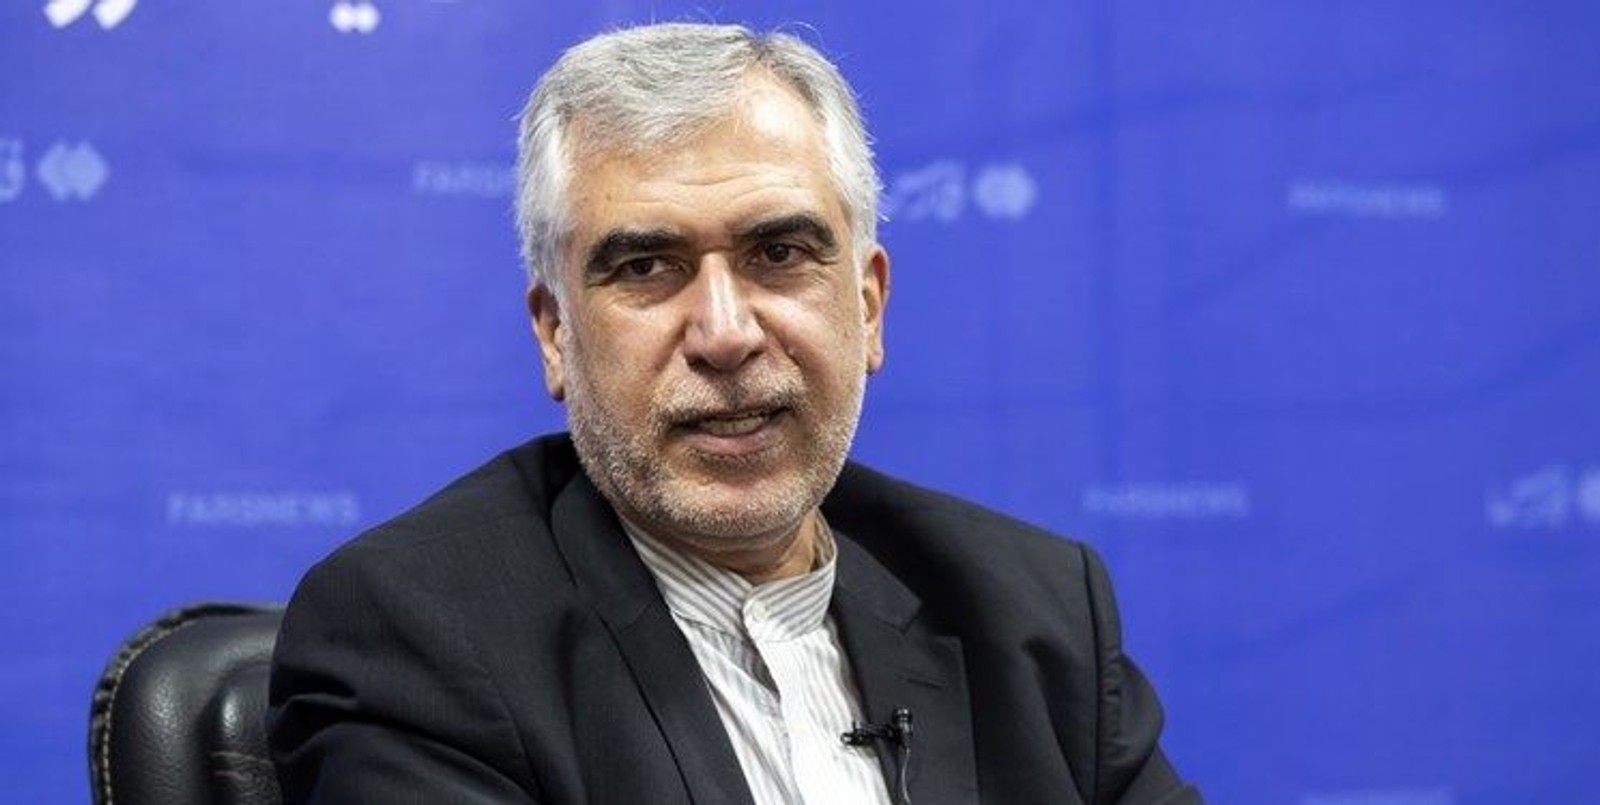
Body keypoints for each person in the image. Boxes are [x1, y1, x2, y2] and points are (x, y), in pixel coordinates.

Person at [268, 22, 1200, 805]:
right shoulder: (418, 635)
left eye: (779, 253)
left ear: (868, 306)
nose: (724, 334)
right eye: (646, 267)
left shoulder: (1037, 615)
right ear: (555, 335)